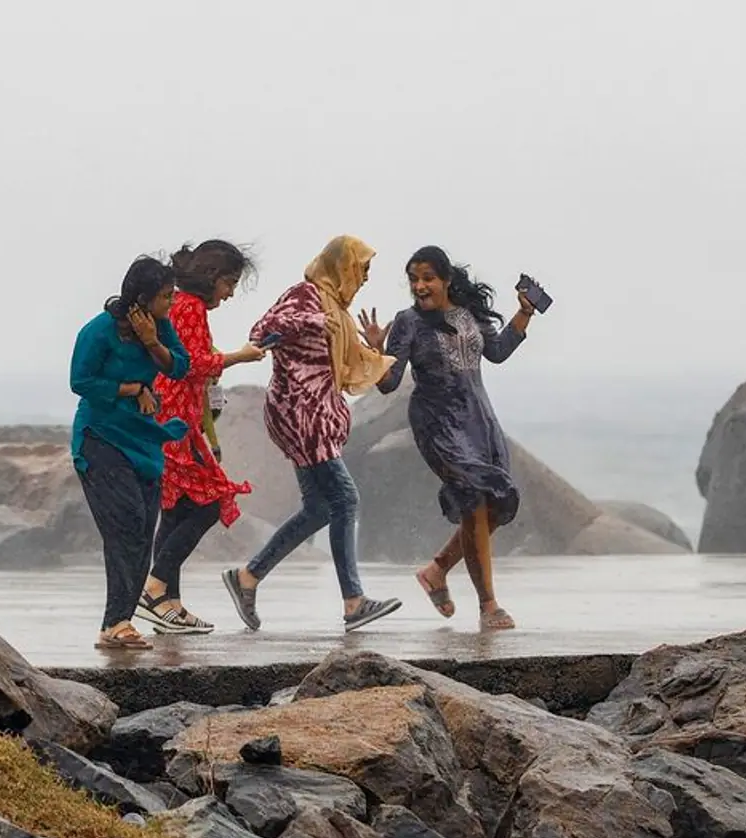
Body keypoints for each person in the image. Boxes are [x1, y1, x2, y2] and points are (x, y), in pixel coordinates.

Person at [221, 235, 403, 633]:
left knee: (320, 508)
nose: (365, 278)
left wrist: (373, 346)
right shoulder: (307, 295)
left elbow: (359, 367)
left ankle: (247, 578)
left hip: (316, 414)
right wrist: (314, 320)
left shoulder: (336, 308)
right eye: (363, 269)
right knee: (346, 499)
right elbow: (262, 330)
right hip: (300, 413)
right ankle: (354, 602)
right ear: (341, 265)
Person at [360, 245, 535, 631]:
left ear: (446, 279)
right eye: (413, 279)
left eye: (427, 278)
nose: (419, 286)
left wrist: (524, 312)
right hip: (436, 421)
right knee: (473, 502)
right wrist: (375, 352)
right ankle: (489, 605)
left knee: (494, 506)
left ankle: (436, 570)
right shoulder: (407, 322)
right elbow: (389, 384)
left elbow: (499, 352)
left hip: (479, 420)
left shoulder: (470, 314)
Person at [138, 241, 267, 635]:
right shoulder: (189, 306)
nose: (229, 293)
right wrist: (239, 357)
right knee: (210, 503)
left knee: (176, 510)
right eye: (229, 283)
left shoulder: (179, 303)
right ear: (212, 277)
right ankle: (154, 588)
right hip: (175, 419)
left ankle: (169, 604)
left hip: (173, 418)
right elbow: (191, 365)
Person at [70, 256, 191, 650]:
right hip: (100, 437)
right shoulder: (100, 330)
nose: (171, 302)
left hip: (142, 439)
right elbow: (81, 380)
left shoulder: (161, 328)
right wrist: (133, 389)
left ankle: (119, 621)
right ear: (141, 297)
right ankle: (115, 621)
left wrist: (153, 341)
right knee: (126, 522)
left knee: (142, 530)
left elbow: (179, 367)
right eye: (164, 296)